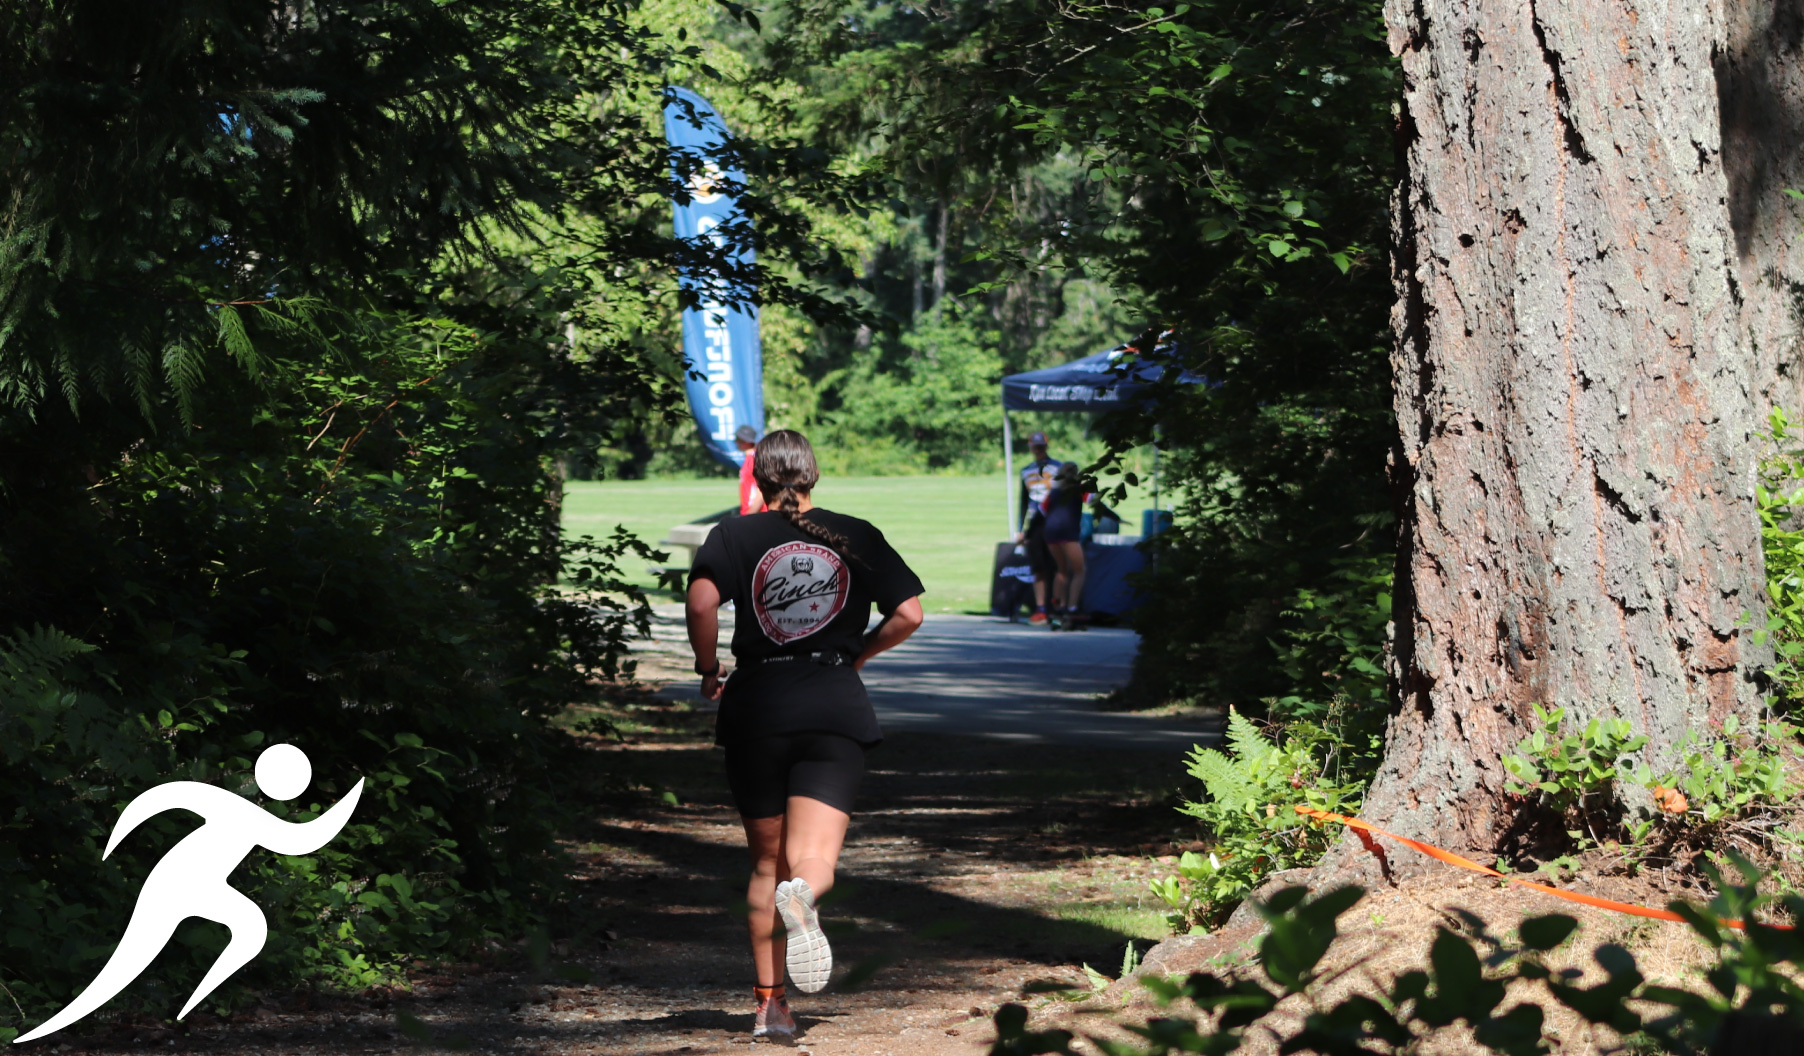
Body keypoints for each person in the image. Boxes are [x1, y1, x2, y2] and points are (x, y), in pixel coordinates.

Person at [685, 429, 925, 1040]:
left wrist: (709, 668)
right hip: (830, 704)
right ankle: (806, 897)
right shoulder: (854, 536)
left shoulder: (733, 536)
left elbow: (702, 603)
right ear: (812, 474)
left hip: (758, 706)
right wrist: (860, 655)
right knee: (811, 859)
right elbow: (910, 612)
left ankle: (770, 1006)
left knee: (765, 861)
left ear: (759, 478)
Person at [16, 745, 364, 1043]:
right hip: (171, 883)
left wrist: (120, 835)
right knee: (129, 960)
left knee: (252, 928)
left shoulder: (246, 813)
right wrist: (118, 836)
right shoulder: (232, 806)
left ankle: (192, 1001)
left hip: (205, 888)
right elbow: (160, 800)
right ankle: (181, 1002)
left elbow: (307, 837)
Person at [1015, 432, 1060, 624]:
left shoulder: (1058, 468)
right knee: (1038, 567)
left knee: (1057, 566)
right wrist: (1020, 528)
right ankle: (1040, 609)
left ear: (1046, 446)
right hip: (1034, 525)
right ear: (1031, 447)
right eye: (1035, 446)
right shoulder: (1026, 471)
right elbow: (1023, 501)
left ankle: (1057, 607)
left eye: (1041, 446)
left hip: (1054, 522)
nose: (1039, 450)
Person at [1039, 461, 1088, 629]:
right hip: (1068, 533)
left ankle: (1058, 608)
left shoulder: (1054, 491)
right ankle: (1072, 609)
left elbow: (1042, 509)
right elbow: (1095, 501)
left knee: (1062, 571)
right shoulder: (1079, 489)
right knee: (1079, 570)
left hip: (1051, 532)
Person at [735, 424, 766, 516]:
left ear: (746, 442)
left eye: (738, 439)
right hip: (752, 515)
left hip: (757, 515)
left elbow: (762, 491)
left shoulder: (754, 460)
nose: (735, 441)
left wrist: (749, 515)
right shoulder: (750, 458)